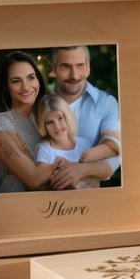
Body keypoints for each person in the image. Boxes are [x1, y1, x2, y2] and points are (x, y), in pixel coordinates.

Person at [50, 46, 122, 190]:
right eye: (65, 66)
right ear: (54, 68)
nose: (74, 75)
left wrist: (82, 170)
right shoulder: (39, 104)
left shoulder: (106, 102)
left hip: (90, 201)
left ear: (88, 65)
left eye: (80, 65)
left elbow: (115, 151)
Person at [0, 51, 55, 193]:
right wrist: (69, 161)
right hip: (13, 206)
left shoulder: (51, 118)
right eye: (16, 81)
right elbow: (33, 179)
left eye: (31, 77)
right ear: (5, 87)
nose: (26, 87)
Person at [33, 94, 111, 189]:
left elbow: (98, 174)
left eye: (60, 118)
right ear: (43, 125)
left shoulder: (84, 144)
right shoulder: (44, 149)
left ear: (68, 116)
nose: (57, 127)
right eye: (50, 122)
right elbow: (48, 182)